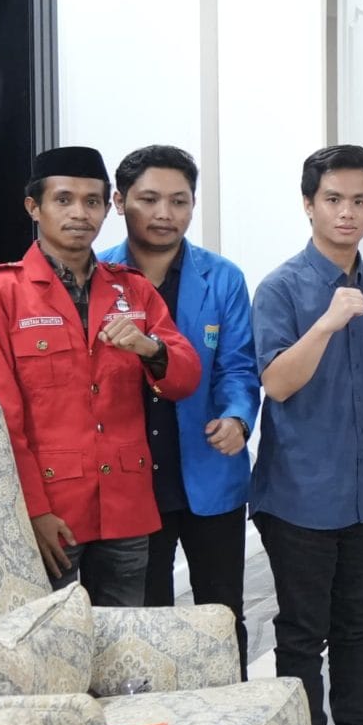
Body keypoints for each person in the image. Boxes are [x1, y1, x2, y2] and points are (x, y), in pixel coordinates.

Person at [250, 145, 363, 725]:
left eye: (360, 201)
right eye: (334, 200)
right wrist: (328, 320)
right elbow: (277, 382)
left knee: (357, 618)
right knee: (301, 628)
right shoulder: (281, 287)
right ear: (309, 204)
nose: (347, 212)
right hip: (297, 489)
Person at [0, 146, 201, 604]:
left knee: (125, 634)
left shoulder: (132, 288)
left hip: (126, 504)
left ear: (106, 208)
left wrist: (149, 347)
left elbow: (185, 377)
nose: (80, 213)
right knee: (53, 636)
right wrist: (31, 510)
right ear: (33, 207)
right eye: (64, 199)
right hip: (53, 509)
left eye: (92, 201)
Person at [103, 145, 257, 658]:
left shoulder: (223, 278)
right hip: (129, 478)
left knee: (221, 617)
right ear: (120, 202)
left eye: (179, 201)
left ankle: (231, 706)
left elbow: (237, 365)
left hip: (207, 467)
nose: (165, 213)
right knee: (144, 625)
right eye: (149, 199)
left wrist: (237, 417)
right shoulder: (97, 276)